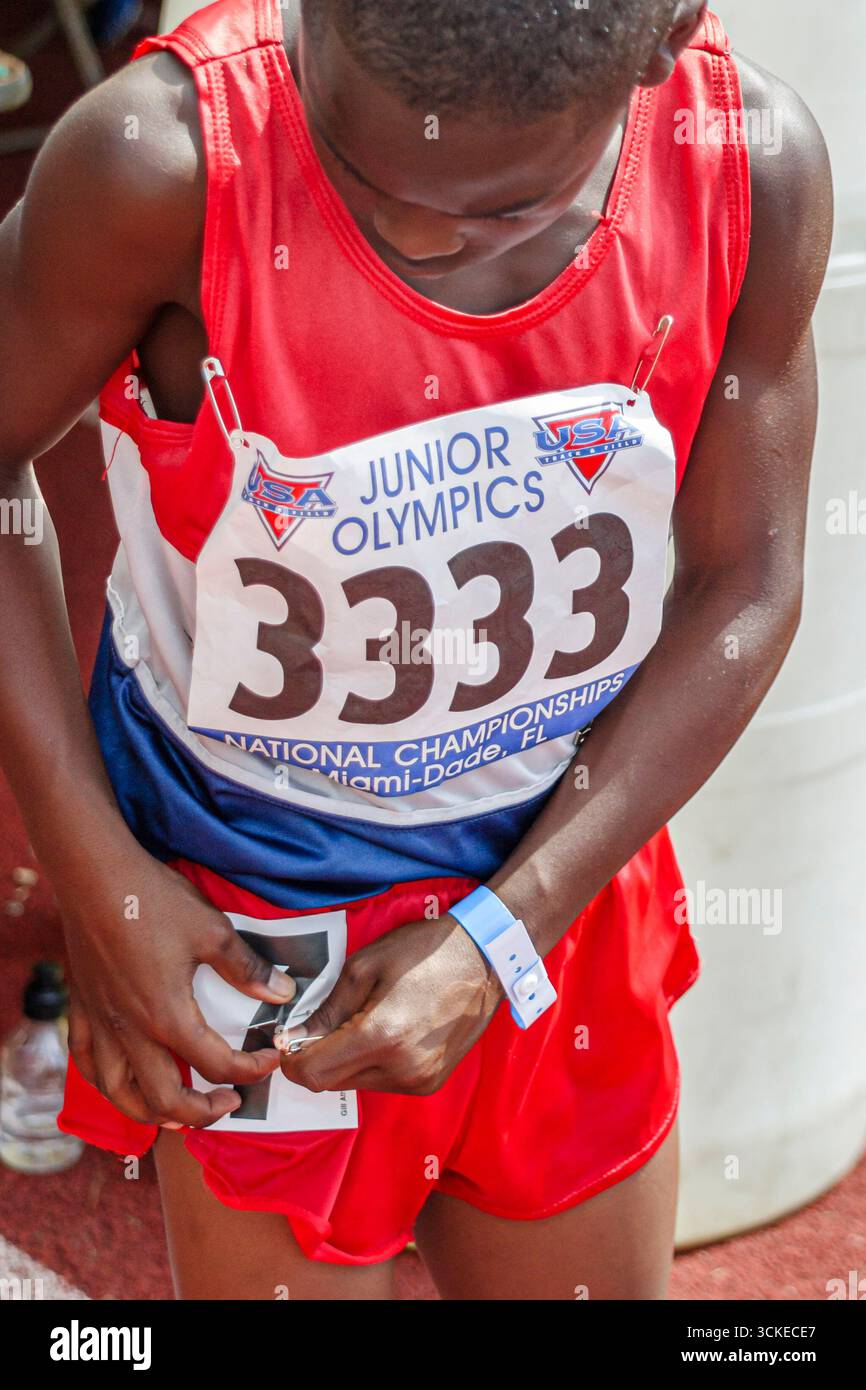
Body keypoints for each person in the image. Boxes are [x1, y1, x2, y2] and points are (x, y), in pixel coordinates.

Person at [0, 0, 832, 1300]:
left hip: (561, 886)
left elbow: (751, 579)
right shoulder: (162, 164)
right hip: (248, 912)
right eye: (363, 173)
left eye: (509, 209)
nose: (424, 232)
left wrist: (503, 935)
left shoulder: (747, 160)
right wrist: (95, 880)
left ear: (663, 42)